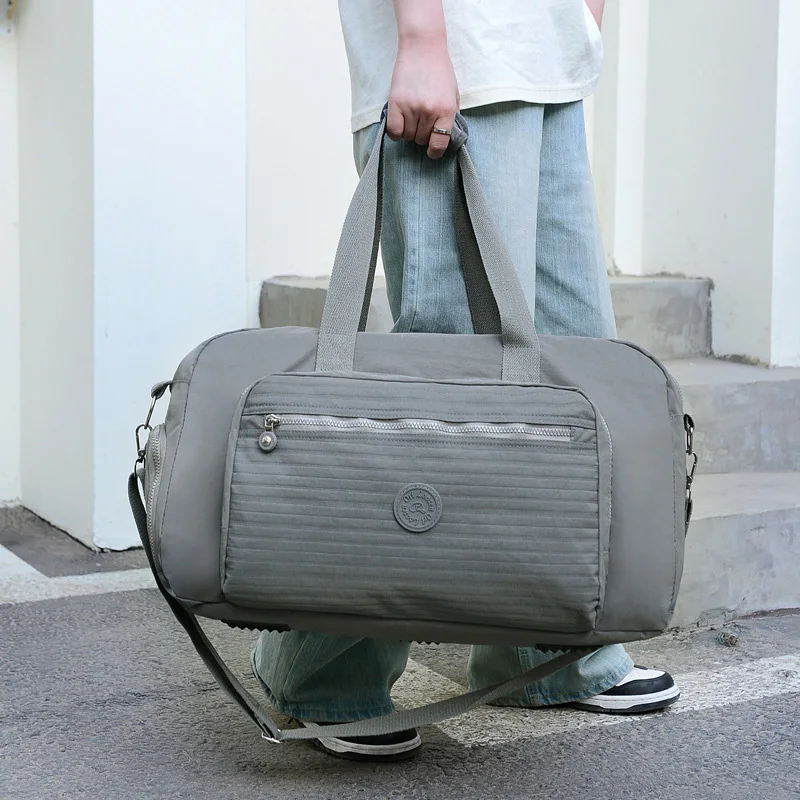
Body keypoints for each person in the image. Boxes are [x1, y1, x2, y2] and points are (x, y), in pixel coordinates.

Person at [252, 0, 680, 761]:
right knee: (448, 390)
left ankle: (541, 653)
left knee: (572, 375)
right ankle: (320, 673)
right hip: (457, 61)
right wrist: (419, 36)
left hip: (544, 63)